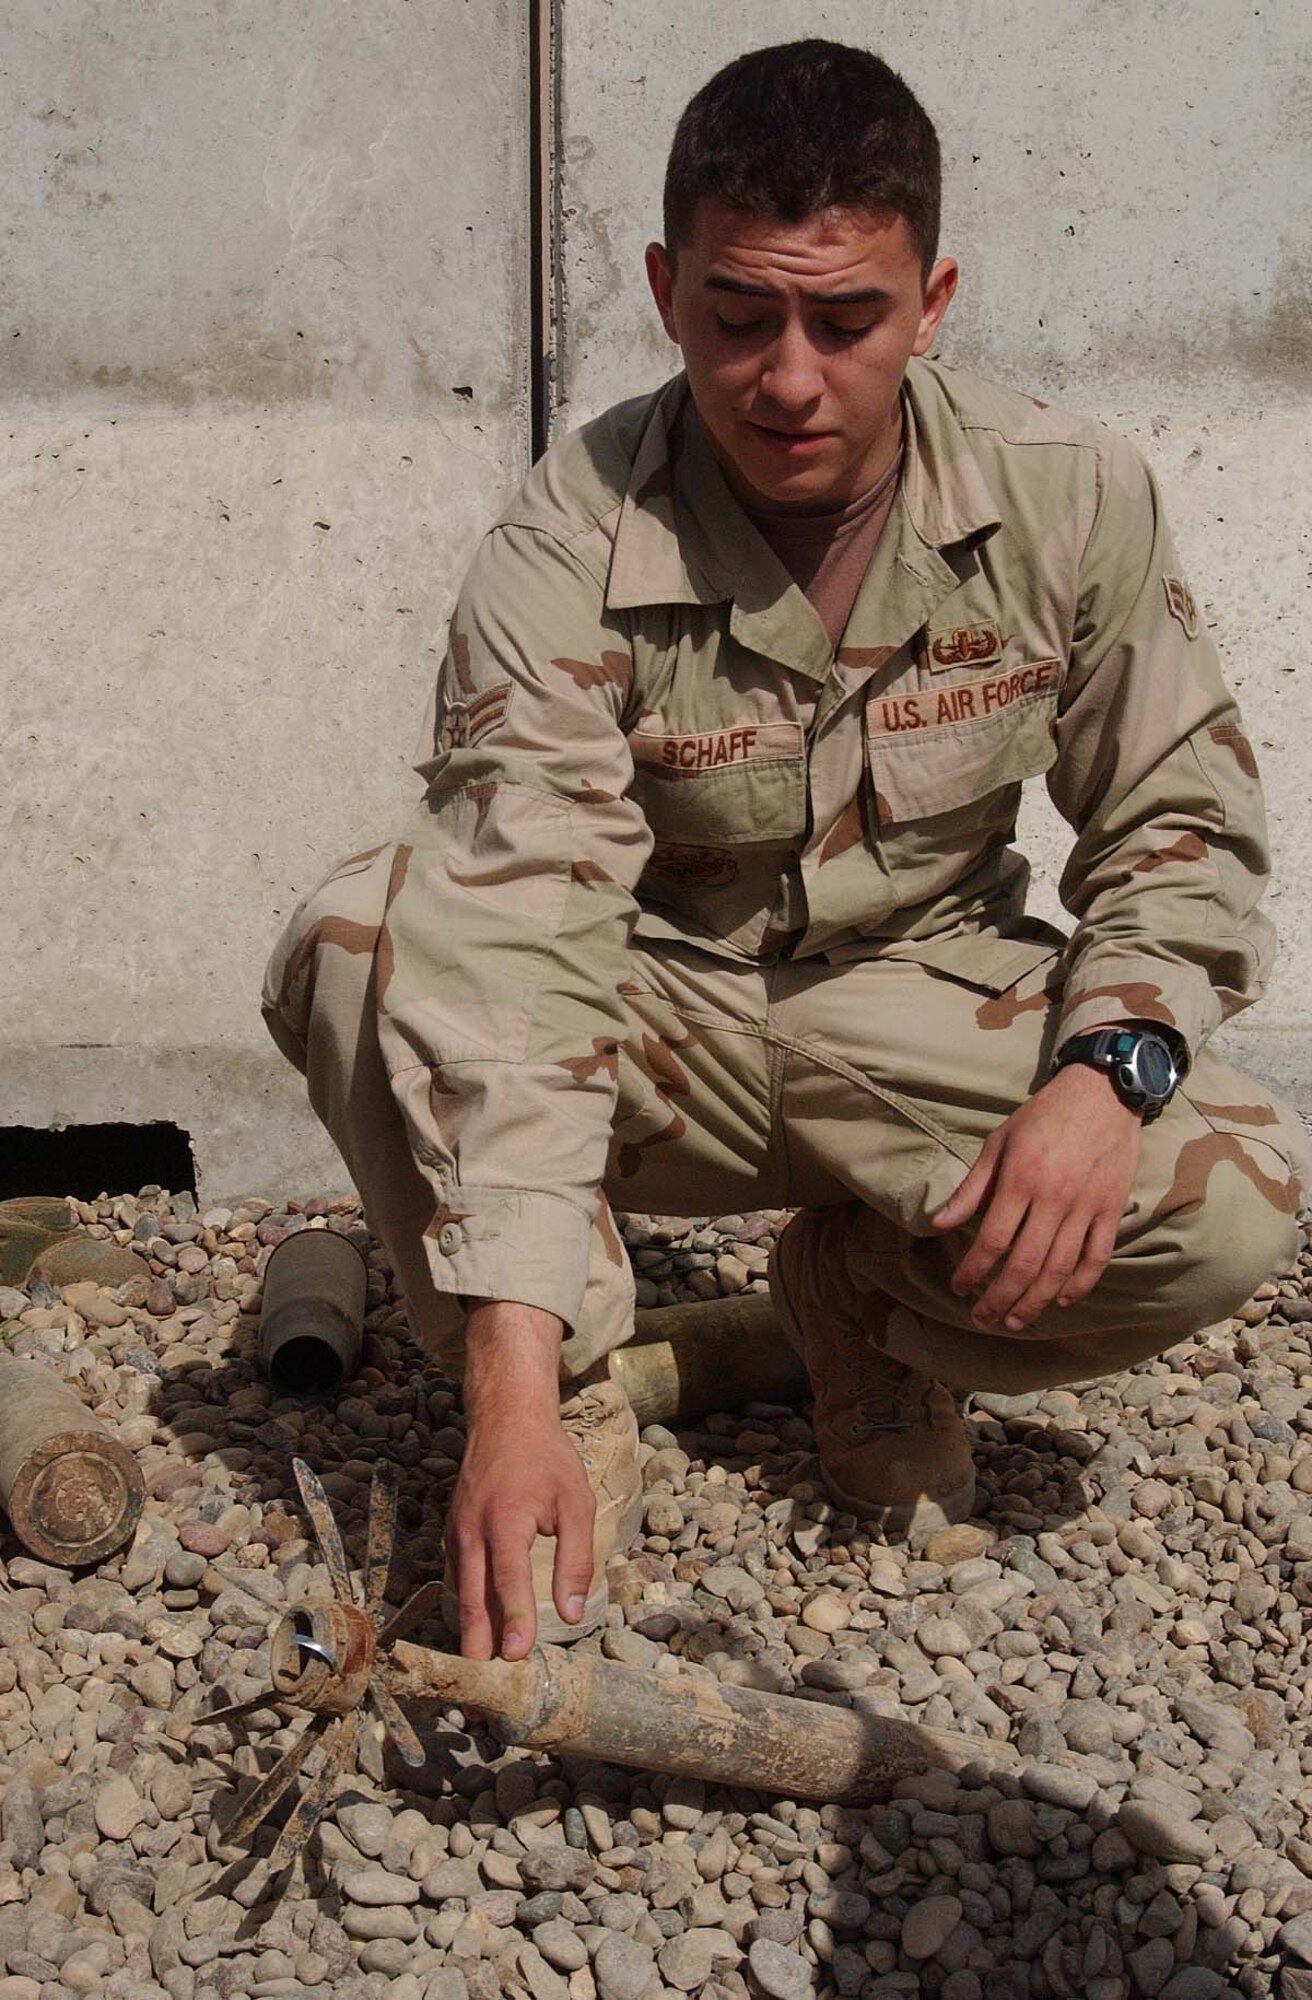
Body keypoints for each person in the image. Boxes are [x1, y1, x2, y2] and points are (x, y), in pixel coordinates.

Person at [263, 40, 1308, 1664]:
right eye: (742, 317)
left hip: (914, 1005)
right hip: (655, 1021)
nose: (792, 377)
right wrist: (513, 1392)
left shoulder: (1067, 496)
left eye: (849, 320)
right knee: (358, 941)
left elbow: (1180, 816)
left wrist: (1107, 1075)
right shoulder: (569, 536)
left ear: (936, 297)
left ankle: (861, 1309)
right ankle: (577, 1390)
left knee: (1235, 1196)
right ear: (669, 288)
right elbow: (518, 943)